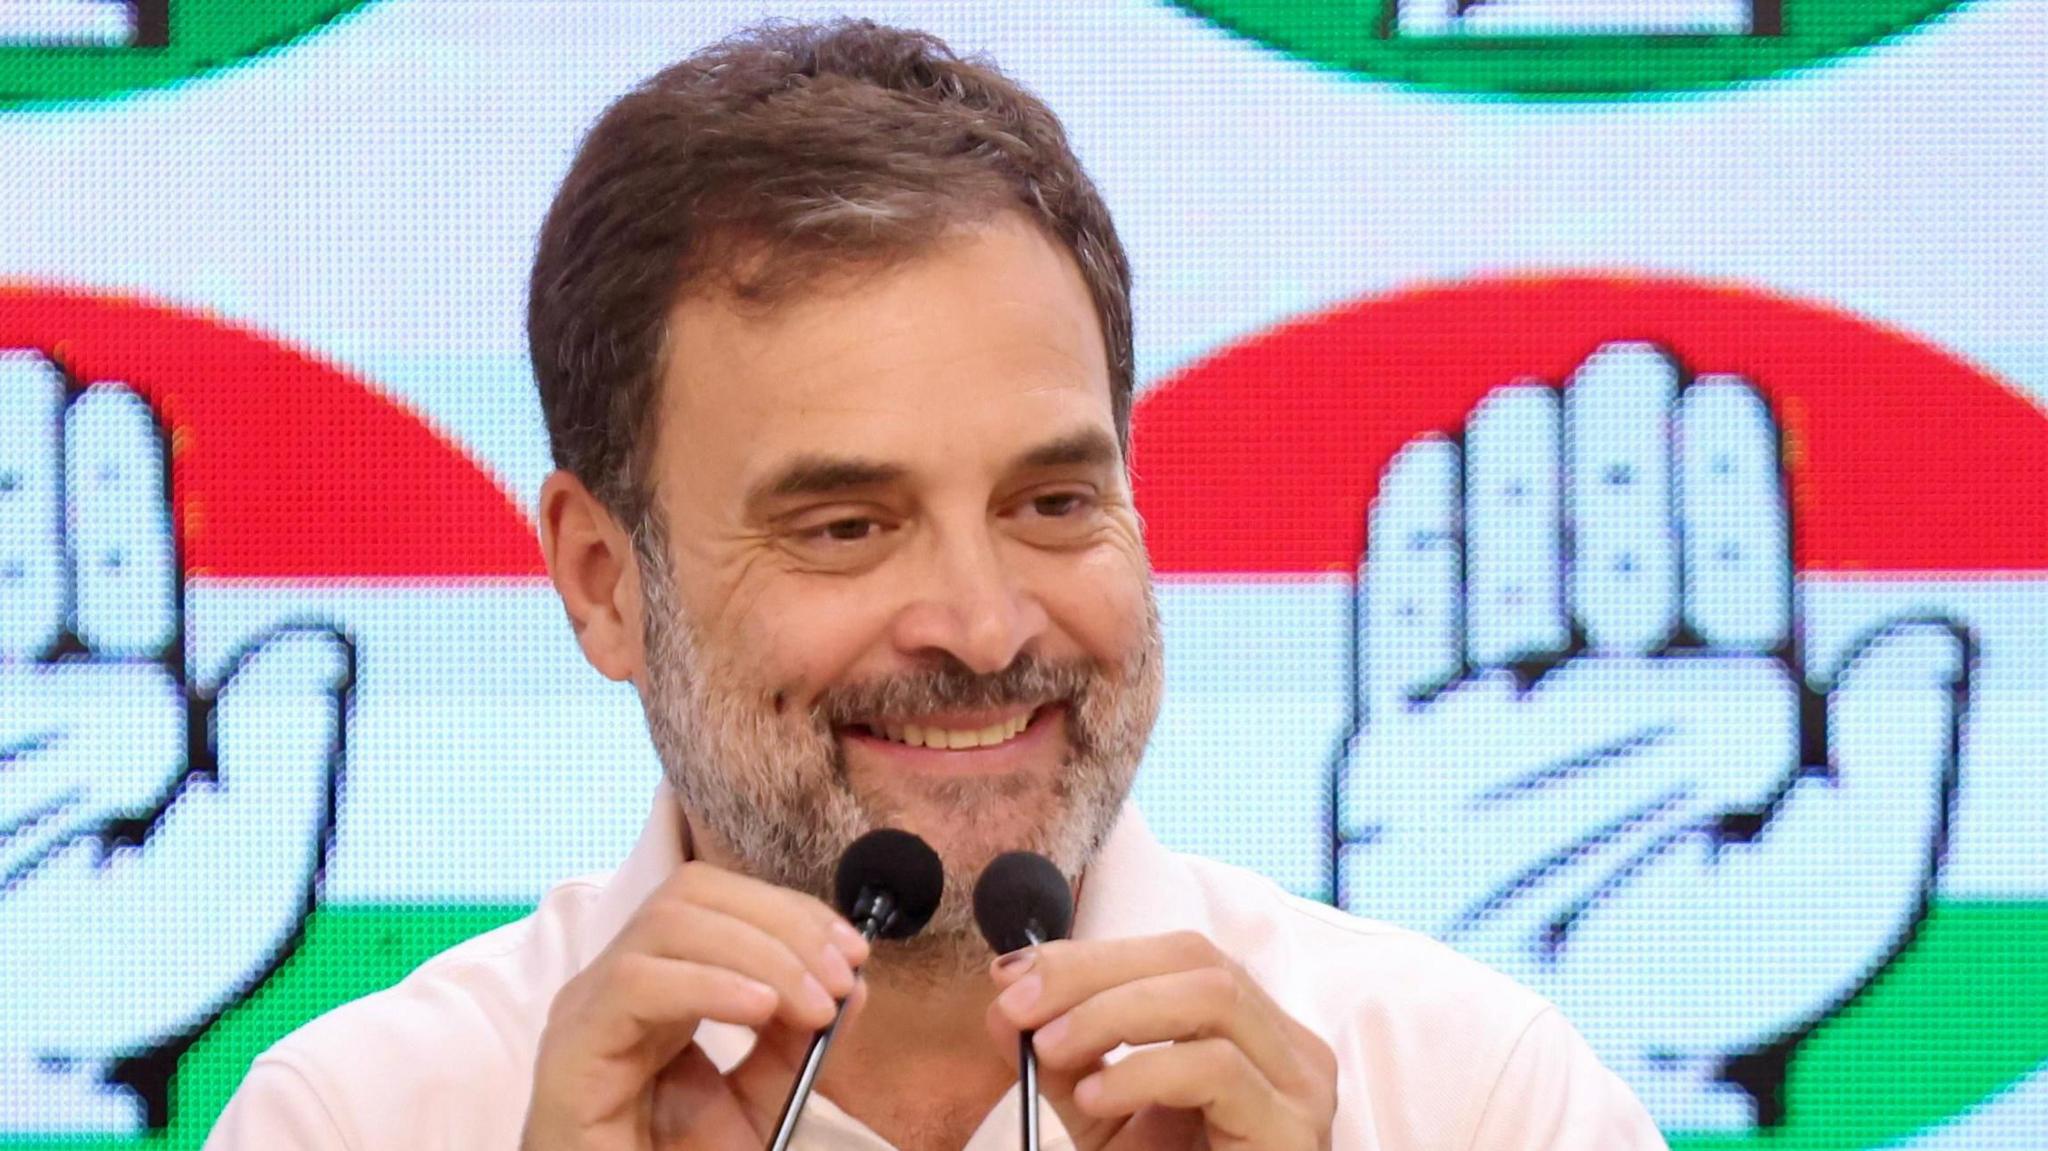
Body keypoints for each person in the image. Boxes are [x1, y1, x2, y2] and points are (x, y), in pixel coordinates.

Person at [208, 18, 1667, 1151]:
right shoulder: (363, 1117)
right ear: (603, 583)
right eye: (846, 525)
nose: (983, 626)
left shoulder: (1476, 1100)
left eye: (1052, 503)